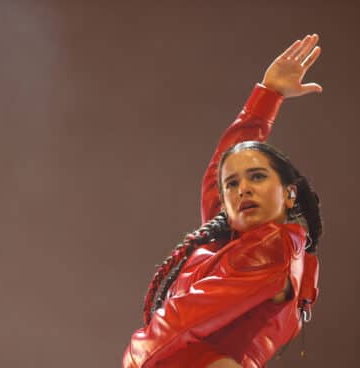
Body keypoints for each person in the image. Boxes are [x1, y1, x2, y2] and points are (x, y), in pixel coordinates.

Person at [122, 34, 324, 368]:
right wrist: (268, 96)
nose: (242, 189)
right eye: (233, 185)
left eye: (258, 177)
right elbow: (226, 163)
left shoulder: (272, 246)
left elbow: (185, 317)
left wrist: (135, 357)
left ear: (290, 192)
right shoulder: (231, 240)